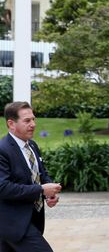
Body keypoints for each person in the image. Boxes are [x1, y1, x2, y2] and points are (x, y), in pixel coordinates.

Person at [0, 101, 62, 252]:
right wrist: (41, 190)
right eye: (27, 120)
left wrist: (49, 193)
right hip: (13, 223)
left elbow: (41, 173)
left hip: (31, 220)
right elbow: (3, 188)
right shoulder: (3, 150)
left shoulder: (32, 145)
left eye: (33, 119)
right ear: (11, 124)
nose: (33, 124)